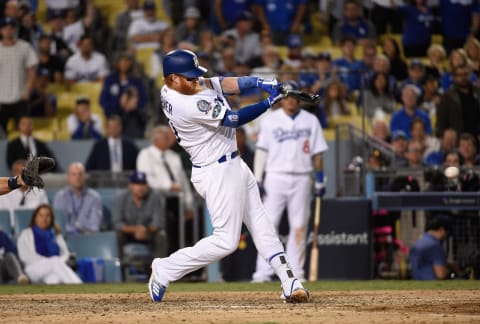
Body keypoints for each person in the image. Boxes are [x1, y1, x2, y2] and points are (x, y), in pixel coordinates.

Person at [149, 49, 311, 303]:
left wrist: (259, 82)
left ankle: (289, 281)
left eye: (194, 75)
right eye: (188, 77)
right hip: (216, 171)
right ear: (172, 78)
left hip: (232, 164)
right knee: (226, 242)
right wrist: (269, 102)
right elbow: (232, 118)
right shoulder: (186, 103)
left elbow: (221, 83)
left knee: (261, 224)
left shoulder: (179, 87)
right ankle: (166, 268)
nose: (195, 80)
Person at [251, 81, 327, 282]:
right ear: (282, 99)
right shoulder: (270, 120)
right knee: (268, 225)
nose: (291, 100)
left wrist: (320, 180)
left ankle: (296, 272)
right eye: (287, 96)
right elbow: (261, 150)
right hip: (275, 176)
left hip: (302, 177)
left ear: (299, 99)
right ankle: (263, 273)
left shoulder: (310, 121)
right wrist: (258, 178)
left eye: (294, 96)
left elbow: (318, 154)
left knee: (299, 226)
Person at [136, 125, 194, 253]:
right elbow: (146, 180)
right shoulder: (146, 155)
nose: (170, 139)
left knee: (181, 235)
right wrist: (168, 185)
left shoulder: (174, 156)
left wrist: (189, 205)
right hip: (157, 201)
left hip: (178, 202)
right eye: (166, 137)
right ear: (156, 139)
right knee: (166, 234)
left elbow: (183, 182)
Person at [17, 204, 82, 284]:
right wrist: (50, 261)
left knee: (54, 280)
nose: (44, 219)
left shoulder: (56, 234)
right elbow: (25, 257)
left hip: (55, 267)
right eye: (41, 215)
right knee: (54, 261)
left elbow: (66, 254)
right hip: (33, 268)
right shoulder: (26, 234)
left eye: (47, 216)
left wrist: (59, 261)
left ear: (51, 218)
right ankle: (77, 284)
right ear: (35, 218)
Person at [112, 171, 167, 261]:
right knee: (117, 235)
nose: (140, 187)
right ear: (130, 185)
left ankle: (158, 271)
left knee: (161, 235)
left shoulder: (155, 196)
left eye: (143, 184)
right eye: (137, 184)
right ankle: (120, 270)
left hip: (148, 233)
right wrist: (136, 229)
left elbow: (158, 223)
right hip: (128, 234)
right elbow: (117, 223)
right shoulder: (121, 197)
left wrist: (145, 230)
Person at [0, 17, 38, 135]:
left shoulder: (24, 47)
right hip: (1, 99)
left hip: (20, 98)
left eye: (11, 28)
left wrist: (27, 91)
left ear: (15, 30)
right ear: (1, 30)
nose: (8, 30)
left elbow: (32, 71)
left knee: (25, 133)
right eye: (5, 28)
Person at [53, 162, 103, 235]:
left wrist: (78, 230)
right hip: (66, 238)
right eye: (74, 174)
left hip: (87, 238)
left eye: (80, 174)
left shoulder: (94, 197)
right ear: (68, 177)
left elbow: (94, 226)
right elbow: (59, 225)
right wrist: (75, 231)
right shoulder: (60, 197)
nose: (77, 177)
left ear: (85, 177)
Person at [436, 64, 480, 140]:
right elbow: (441, 121)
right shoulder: (448, 96)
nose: (463, 78)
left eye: (466, 74)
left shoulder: (478, 92)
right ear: (454, 77)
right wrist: (441, 137)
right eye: (459, 75)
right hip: (458, 139)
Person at [99, 52, 146, 118]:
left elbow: (143, 99)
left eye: (127, 61)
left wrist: (133, 106)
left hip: (133, 114)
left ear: (131, 63)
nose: (124, 63)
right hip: (113, 114)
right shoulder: (110, 80)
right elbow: (103, 100)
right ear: (117, 63)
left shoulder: (137, 81)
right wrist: (112, 109)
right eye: (122, 61)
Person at [409, 215, 453, 280]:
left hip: (417, 285)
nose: (446, 235)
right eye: (447, 232)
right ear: (442, 229)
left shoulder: (418, 242)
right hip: (432, 285)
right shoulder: (434, 245)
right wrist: (452, 272)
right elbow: (441, 274)